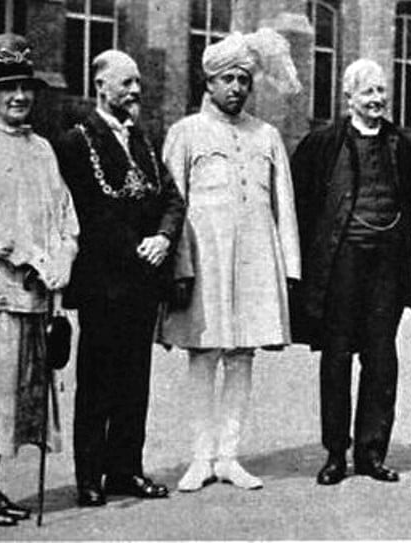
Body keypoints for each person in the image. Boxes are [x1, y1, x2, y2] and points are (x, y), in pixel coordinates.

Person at [157, 29, 301, 492]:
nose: (238, 88)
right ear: (210, 83)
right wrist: (178, 268)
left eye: (244, 80)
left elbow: (284, 207)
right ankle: (200, 457)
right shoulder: (185, 134)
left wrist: (288, 270)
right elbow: (170, 206)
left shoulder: (268, 135)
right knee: (204, 354)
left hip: (256, 263)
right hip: (205, 261)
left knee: (242, 356)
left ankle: (230, 455)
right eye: (229, 80)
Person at [0, 33, 78, 525]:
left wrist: (64, 254)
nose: (19, 96)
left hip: (31, 295)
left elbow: (65, 214)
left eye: (25, 86)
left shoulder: (43, 149)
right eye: (8, 87)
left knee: (12, 398)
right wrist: (28, 255)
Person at [55, 50, 185, 506]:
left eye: (137, 83)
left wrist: (165, 238)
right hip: (104, 282)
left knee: (135, 380)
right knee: (96, 381)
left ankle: (126, 469)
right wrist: (138, 248)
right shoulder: (76, 141)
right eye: (126, 83)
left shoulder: (145, 140)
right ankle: (90, 476)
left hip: (143, 282)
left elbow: (171, 197)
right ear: (101, 86)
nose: (135, 92)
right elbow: (92, 211)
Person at [290, 59, 411, 486]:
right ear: (349, 99)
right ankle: (335, 454)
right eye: (368, 93)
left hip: (387, 266)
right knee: (337, 356)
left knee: (381, 358)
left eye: (382, 92)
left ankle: (372, 452)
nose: (377, 100)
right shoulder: (322, 145)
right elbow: (301, 209)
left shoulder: (401, 145)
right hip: (340, 264)